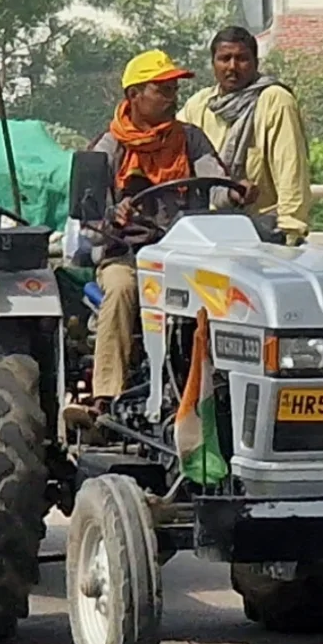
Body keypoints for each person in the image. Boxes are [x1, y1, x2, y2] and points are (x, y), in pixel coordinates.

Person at [66, 49, 255, 426]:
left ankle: (229, 395)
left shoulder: (190, 140)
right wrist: (113, 217)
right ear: (134, 95)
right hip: (128, 255)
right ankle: (105, 398)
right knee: (120, 290)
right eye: (162, 89)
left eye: (174, 89)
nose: (172, 97)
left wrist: (234, 193)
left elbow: (214, 184)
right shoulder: (108, 147)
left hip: (188, 254)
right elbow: (90, 217)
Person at [178, 26, 313, 246]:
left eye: (241, 59)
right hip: (208, 233)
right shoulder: (200, 105)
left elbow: (291, 171)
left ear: (256, 63)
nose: (232, 67)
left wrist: (291, 234)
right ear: (213, 64)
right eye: (225, 58)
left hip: (262, 233)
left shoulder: (274, 100)